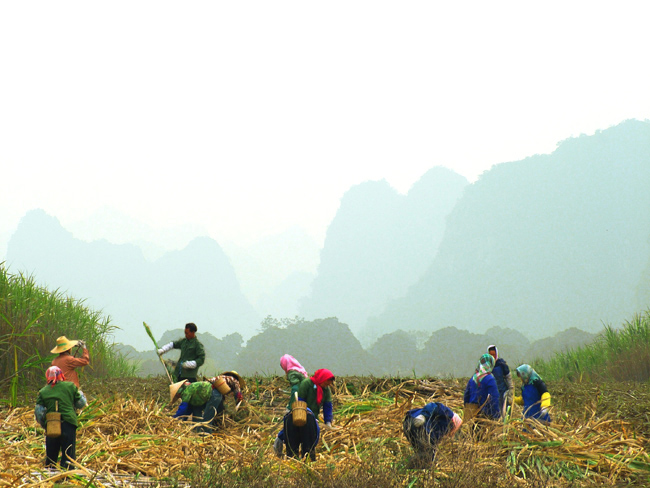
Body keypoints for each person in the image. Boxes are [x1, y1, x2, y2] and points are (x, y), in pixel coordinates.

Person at [35, 366, 87, 470]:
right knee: (68, 453)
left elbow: (39, 413)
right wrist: (80, 394)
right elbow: (81, 403)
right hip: (68, 423)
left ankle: (51, 475)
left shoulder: (43, 391)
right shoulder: (70, 386)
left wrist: (45, 425)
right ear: (61, 375)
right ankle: (66, 476)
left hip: (52, 424)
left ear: (48, 376)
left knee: (51, 454)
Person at [281, 368, 335, 461]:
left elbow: (327, 406)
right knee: (287, 434)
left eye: (328, 384)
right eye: (326, 383)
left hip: (313, 417)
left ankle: (308, 458)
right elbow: (300, 399)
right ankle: (289, 454)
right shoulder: (306, 384)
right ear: (321, 379)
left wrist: (328, 421)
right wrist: (305, 411)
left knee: (311, 438)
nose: (326, 386)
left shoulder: (326, 389)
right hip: (300, 412)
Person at [170, 371, 244, 433]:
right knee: (196, 413)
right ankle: (197, 432)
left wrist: (175, 419)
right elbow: (188, 410)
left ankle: (206, 435)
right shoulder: (191, 389)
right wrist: (181, 420)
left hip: (213, 394)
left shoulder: (187, 390)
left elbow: (183, 407)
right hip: (211, 395)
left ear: (179, 391)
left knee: (207, 418)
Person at [403, 402, 462, 468]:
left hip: (408, 423)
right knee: (426, 454)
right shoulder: (448, 415)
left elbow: (432, 444)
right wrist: (423, 416)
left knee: (423, 452)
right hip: (419, 422)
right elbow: (433, 405)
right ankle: (410, 468)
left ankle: (413, 470)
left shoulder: (441, 428)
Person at [273, 354, 310, 457]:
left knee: (289, 425)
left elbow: (295, 390)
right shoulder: (300, 371)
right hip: (307, 401)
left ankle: (279, 444)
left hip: (299, 404)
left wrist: (291, 407)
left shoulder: (292, 373)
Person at [463, 353, 501, 421]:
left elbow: (466, 397)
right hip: (484, 415)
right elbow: (494, 399)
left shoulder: (473, 378)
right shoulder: (490, 379)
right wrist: (496, 416)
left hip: (472, 414)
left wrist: (467, 410)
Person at [487, 344, 514, 416]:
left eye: (493, 354)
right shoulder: (486, 365)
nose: (492, 356)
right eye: (490, 355)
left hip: (502, 392)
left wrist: (511, 390)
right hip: (492, 393)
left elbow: (508, 377)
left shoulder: (501, 364)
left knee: (504, 412)